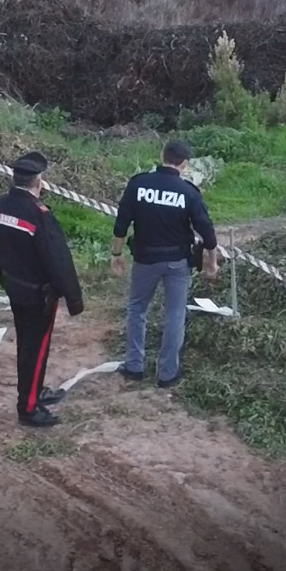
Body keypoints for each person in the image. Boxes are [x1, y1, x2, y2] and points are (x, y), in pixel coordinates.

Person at [0, 152, 83, 428]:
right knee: (35, 349)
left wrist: (4, 279)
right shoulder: (39, 215)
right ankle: (28, 408)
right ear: (39, 181)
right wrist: (74, 299)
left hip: (15, 287)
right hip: (39, 295)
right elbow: (58, 260)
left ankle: (35, 391)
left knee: (27, 345)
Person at [111, 139, 219, 390]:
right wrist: (212, 263)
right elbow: (207, 232)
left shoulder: (138, 184)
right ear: (185, 164)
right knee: (175, 315)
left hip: (145, 259)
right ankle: (167, 374)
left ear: (162, 155)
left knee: (137, 309)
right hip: (177, 262)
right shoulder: (189, 192)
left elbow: (121, 223)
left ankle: (134, 366)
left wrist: (116, 254)